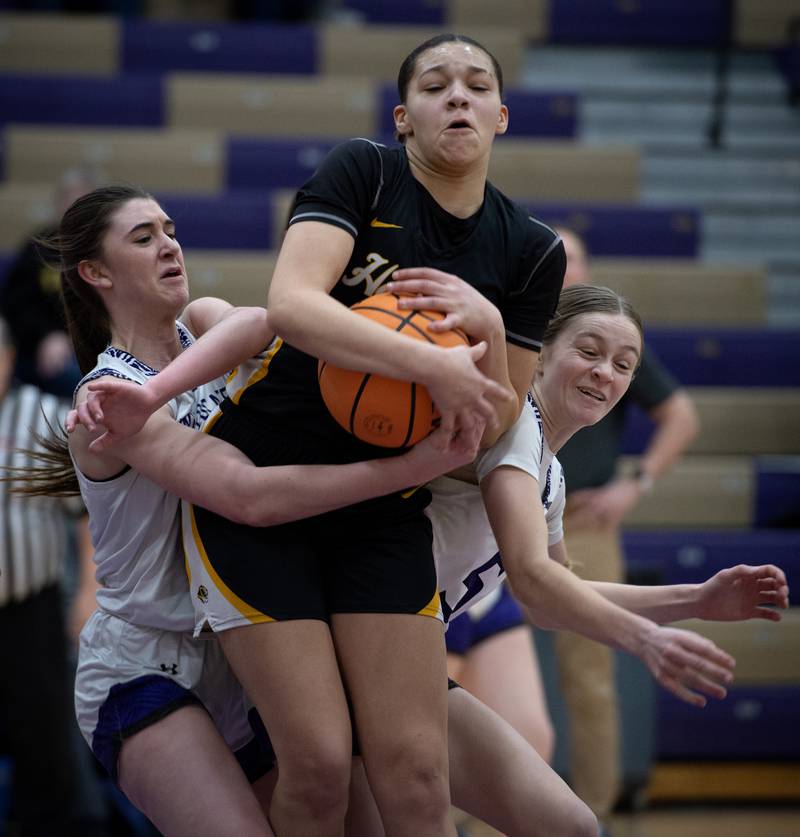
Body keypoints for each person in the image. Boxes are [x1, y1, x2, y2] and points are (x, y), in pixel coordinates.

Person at [80, 281, 789, 837]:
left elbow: (563, 586)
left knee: (566, 821)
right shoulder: (510, 432)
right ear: (541, 350)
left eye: (624, 364)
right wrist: (650, 637)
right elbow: (537, 588)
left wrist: (694, 599)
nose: (605, 372)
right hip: (351, 655)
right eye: (590, 350)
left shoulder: (550, 469)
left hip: (391, 665)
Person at [144, 32, 560, 837]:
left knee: (415, 773)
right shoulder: (364, 172)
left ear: (502, 116)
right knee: (321, 765)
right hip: (260, 480)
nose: (458, 97)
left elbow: (498, 418)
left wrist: (489, 324)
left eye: (477, 86)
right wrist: (429, 364)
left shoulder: (531, 249)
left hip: (381, 503)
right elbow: (293, 304)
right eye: (436, 86)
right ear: (404, 118)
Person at [12, 184, 488, 837]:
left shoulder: (203, 328)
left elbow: (265, 321)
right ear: (95, 272)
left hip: (250, 643)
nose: (169, 243)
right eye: (143, 236)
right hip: (147, 659)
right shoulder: (104, 400)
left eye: (170, 228)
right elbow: (248, 496)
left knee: (354, 813)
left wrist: (162, 388)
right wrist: (412, 468)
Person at [554, 226, 700, 821]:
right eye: (553, 261)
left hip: (583, 519)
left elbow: (682, 415)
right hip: (488, 513)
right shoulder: (512, 325)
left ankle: (592, 814)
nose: (565, 271)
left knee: (589, 674)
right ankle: (473, 817)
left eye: (575, 261)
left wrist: (633, 485)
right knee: (467, 665)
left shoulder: (609, 337)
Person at [0, 167, 96, 398]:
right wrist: (47, 335)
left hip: (90, 346)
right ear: (57, 203)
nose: (73, 206)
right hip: (37, 348)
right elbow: (15, 304)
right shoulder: (37, 247)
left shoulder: (102, 250)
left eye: (81, 200)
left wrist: (76, 339)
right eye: (68, 198)